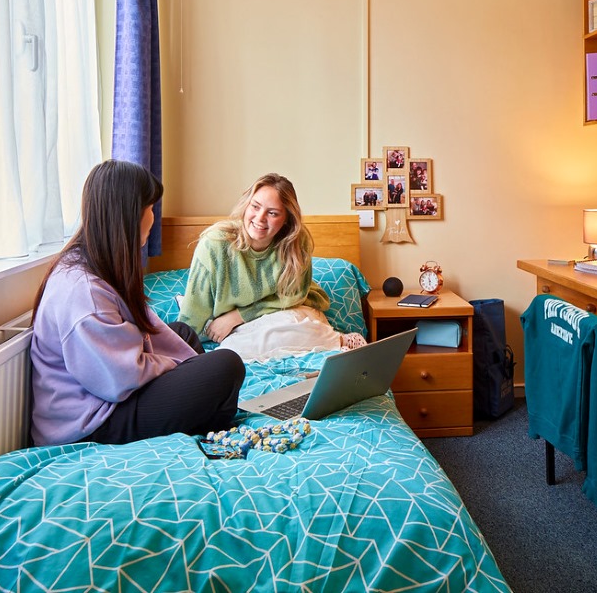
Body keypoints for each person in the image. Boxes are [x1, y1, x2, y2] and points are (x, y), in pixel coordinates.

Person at [29, 160, 245, 447]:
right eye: (150, 209)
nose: (153, 218)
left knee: (182, 332)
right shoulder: (83, 293)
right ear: (130, 215)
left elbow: (135, 340)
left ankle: (206, 410)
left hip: (108, 393)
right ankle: (209, 412)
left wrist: (176, 362)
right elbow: (118, 380)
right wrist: (173, 364)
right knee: (226, 365)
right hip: (95, 422)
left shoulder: (93, 262)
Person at [178, 173, 365, 355]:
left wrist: (238, 316)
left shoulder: (297, 243)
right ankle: (329, 341)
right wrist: (178, 353)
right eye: (255, 207)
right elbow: (194, 309)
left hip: (285, 312)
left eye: (272, 213)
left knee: (294, 327)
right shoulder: (215, 244)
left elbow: (293, 296)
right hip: (236, 328)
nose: (260, 218)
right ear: (246, 205)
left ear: (286, 220)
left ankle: (342, 340)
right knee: (233, 349)